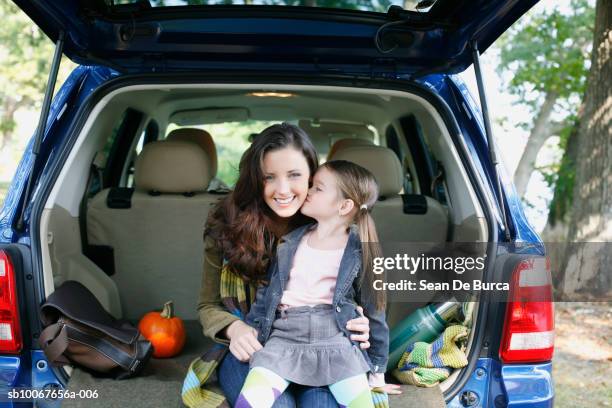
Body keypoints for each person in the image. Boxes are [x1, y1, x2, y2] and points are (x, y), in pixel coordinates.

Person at [192, 123, 373, 408]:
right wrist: (234, 329)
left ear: (313, 175)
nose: (283, 189)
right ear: (255, 179)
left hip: (326, 349)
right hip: (257, 347)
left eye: (295, 175)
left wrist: (362, 324)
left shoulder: (338, 230)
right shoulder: (225, 226)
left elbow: (362, 302)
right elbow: (208, 305)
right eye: (269, 178)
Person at [235, 160, 391, 408]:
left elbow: (375, 311)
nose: (308, 191)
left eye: (318, 188)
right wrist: (254, 331)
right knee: (250, 402)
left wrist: (377, 372)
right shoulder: (291, 241)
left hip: (336, 342)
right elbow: (268, 292)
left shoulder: (360, 251)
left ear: (344, 205)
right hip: (284, 339)